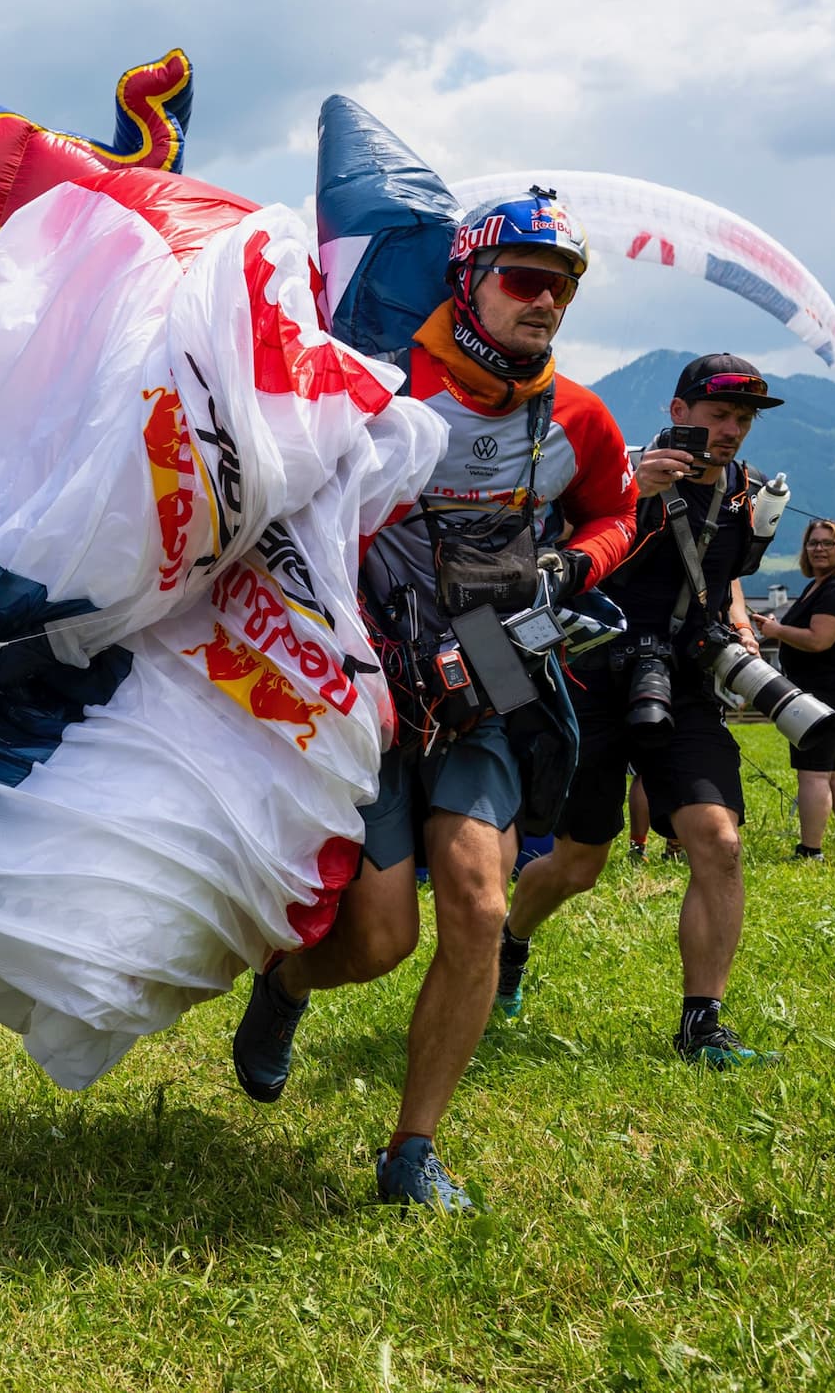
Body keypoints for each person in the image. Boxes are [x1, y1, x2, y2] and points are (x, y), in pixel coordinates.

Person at [232, 188, 637, 1210]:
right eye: (526, 279)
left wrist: (573, 567)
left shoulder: (580, 416)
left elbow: (615, 512)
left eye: (564, 287)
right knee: (379, 941)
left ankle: (411, 1151)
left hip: (490, 678)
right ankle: (285, 984)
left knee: (480, 906)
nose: (546, 302)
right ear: (468, 281)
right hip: (364, 687)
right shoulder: (375, 385)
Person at [503, 354, 785, 1069]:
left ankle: (702, 1025)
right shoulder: (616, 474)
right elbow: (552, 556)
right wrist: (634, 492)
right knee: (578, 865)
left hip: (684, 681)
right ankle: (511, 942)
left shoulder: (747, 495)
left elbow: (722, 576)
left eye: (743, 420)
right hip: (594, 677)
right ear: (679, 411)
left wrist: (739, 626)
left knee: (718, 842)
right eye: (718, 416)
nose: (731, 431)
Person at [753, 519, 835, 857]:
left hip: (827, 694)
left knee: (813, 775)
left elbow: (819, 640)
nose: (818, 549)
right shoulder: (822, 586)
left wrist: (777, 631)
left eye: (827, 543)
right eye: (813, 543)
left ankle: (810, 850)